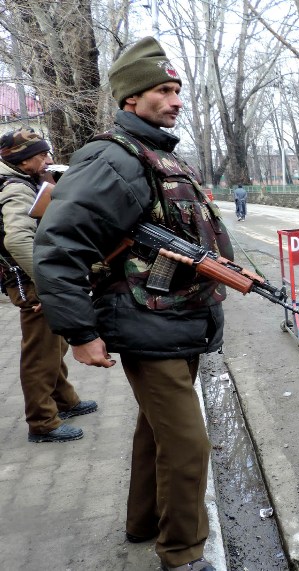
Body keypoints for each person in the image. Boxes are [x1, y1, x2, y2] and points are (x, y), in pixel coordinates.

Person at [33, 37, 222, 571]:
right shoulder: (113, 158)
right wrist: (80, 332)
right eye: (163, 90)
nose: (176, 100)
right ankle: (183, 556)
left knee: (157, 434)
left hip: (175, 320)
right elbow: (59, 246)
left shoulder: (157, 155)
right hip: (146, 323)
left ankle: (144, 524)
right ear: (131, 99)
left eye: (178, 90)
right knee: (188, 446)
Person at [0, 128, 97, 444]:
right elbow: (15, 238)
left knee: (56, 343)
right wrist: (47, 284)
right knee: (40, 351)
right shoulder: (16, 188)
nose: (48, 160)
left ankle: (64, 400)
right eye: (42, 155)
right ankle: (42, 422)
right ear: (23, 159)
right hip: (30, 281)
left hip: (32, 278)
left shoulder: (23, 181)